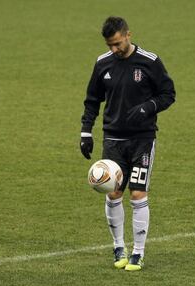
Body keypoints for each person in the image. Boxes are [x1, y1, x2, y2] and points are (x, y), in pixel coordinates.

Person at [80, 16, 176, 271]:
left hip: (142, 139)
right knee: (113, 192)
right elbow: (92, 100)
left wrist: (147, 108)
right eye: (110, 45)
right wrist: (86, 132)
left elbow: (168, 94)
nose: (114, 49)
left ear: (128, 35)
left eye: (118, 43)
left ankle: (138, 252)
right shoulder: (103, 64)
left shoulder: (149, 61)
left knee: (137, 193)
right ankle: (118, 247)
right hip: (113, 139)